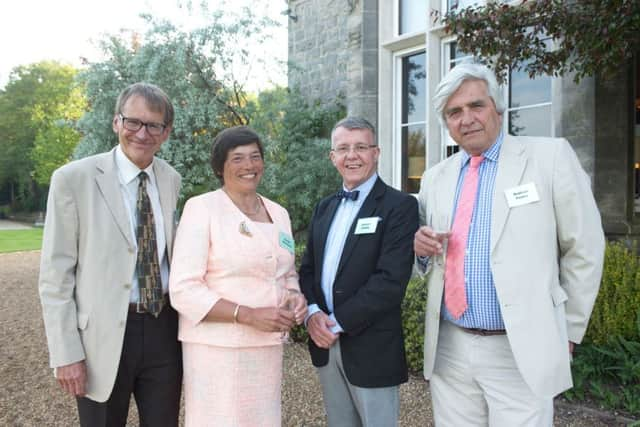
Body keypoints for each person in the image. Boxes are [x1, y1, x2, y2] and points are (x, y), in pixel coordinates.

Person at [414, 62, 605, 426]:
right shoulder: (436, 178)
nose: (466, 118)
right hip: (450, 346)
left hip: (520, 347)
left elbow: (585, 249)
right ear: (447, 123)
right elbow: (428, 256)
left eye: (476, 106)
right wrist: (420, 251)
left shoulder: (549, 158)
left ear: (497, 108)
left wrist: (569, 331)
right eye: (454, 112)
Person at [38, 82, 182, 426]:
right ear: (117, 122)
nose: (142, 133)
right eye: (133, 122)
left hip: (164, 330)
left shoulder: (171, 179)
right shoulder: (73, 179)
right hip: (100, 338)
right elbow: (55, 276)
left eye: (153, 125)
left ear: (166, 133)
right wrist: (66, 352)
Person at [168, 125, 307, 426]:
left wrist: (295, 298)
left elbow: (286, 273)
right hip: (217, 349)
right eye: (238, 158)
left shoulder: (279, 213)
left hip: (267, 346)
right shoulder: (202, 208)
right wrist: (246, 314)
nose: (249, 166)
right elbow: (183, 289)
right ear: (220, 167)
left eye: (255, 157)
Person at [299, 116, 418, 427]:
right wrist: (312, 314)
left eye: (361, 147)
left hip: (371, 346)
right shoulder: (323, 208)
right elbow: (307, 270)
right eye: (343, 148)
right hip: (326, 343)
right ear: (332, 157)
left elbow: (390, 282)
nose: (352, 155)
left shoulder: (400, 206)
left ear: (376, 153)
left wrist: (334, 324)